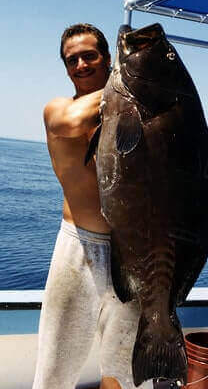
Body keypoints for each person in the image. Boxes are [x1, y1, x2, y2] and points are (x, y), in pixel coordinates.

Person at [32, 23, 152, 389]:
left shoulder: (139, 114)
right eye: (72, 60)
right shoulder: (57, 110)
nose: (81, 65)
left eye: (90, 55)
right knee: (54, 369)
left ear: (108, 58)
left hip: (130, 253)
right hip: (77, 249)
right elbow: (72, 122)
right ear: (65, 67)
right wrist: (128, 81)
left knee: (123, 371)